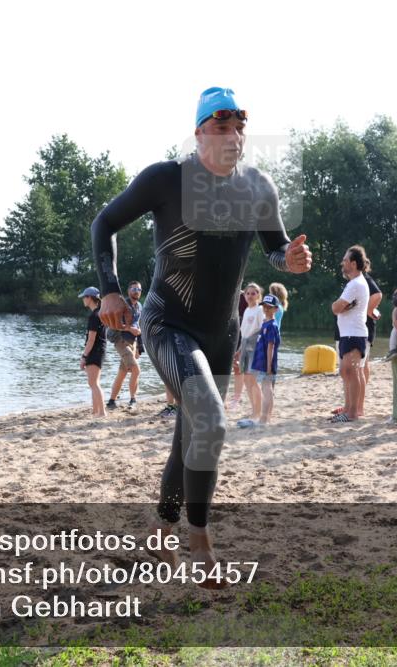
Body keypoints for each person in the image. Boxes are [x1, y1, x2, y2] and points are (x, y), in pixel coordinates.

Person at [90, 86, 312, 585]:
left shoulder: (258, 187)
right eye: (221, 126)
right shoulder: (166, 178)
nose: (233, 136)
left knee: (191, 436)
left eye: (239, 127)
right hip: (167, 323)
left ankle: (161, 531)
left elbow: (275, 248)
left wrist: (290, 260)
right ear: (199, 133)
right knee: (210, 418)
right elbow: (104, 223)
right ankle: (200, 544)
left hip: (221, 334)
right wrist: (109, 291)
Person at [331, 245, 370, 423]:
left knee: (350, 371)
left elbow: (335, 308)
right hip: (350, 333)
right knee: (348, 371)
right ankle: (349, 409)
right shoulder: (355, 283)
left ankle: (352, 412)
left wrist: (339, 307)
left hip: (354, 333)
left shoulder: (355, 284)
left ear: (353, 264)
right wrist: (340, 307)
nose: (342, 263)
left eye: (345, 260)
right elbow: (339, 307)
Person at [240, 294, 281, 428]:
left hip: (266, 363)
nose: (266, 309)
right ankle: (267, 418)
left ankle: (264, 419)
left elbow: (271, 346)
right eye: (264, 306)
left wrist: (268, 366)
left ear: (276, 309)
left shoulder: (272, 325)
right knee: (266, 388)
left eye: (270, 307)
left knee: (266, 388)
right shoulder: (265, 323)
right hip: (261, 362)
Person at [106, 281, 143, 410]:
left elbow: (138, 326)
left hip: (132, 342)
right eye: (134, 289)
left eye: (139, 289)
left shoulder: (139, 306)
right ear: (128, 291)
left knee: (122, 372)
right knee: (136, 370)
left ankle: (111, 401)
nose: (136, 292)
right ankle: (133, 400)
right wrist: (130, 329)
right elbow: (115, 324)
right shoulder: (122, 305)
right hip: (120, 340)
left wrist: (139, 347)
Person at [237, 283, 265, 423]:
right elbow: (244, 333)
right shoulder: (247, 310)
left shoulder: (260, 310)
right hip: (245, 346)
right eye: (247, 293)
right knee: (247, 381)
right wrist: (239, 351)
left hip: (255, 347)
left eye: (253, 293)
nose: (250, 296)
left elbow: (262, 330)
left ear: (258, 295)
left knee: (253, 381)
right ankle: (254, 410)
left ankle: (258, 413)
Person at [78, 287, 107, 417]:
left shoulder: (94, 316)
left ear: (89, 298)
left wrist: (84, 356)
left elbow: (91, 340)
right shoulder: (100, 313)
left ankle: (102, 412)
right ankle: (95, 411)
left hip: (95, 351)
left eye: (84, 297)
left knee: (93, 383)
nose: (83, 300)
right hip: (100, 350)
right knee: (94, 382)